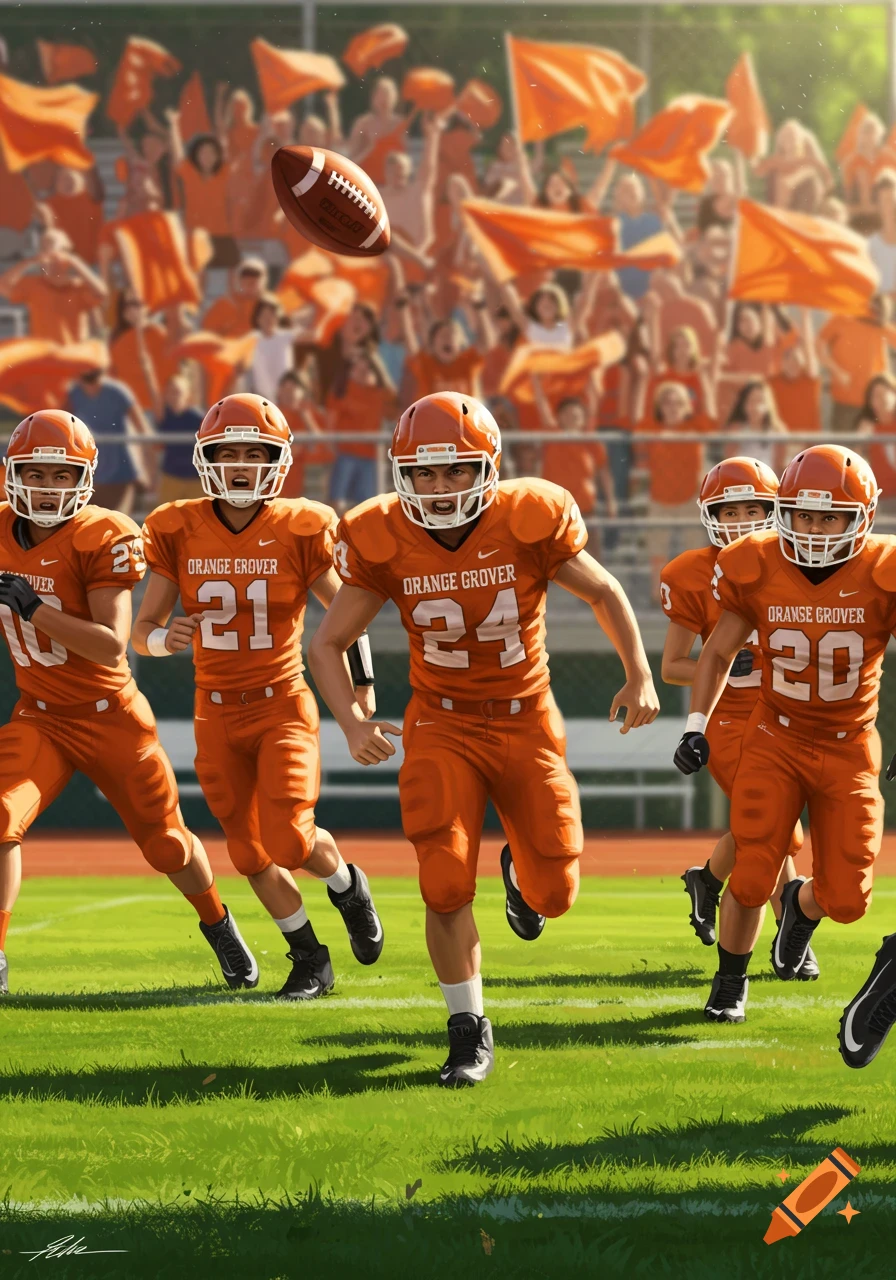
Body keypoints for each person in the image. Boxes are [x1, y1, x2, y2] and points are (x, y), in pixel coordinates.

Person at [308, 391, 659, 1085]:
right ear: (402, 473)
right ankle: (468, 1028)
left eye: (458, 471)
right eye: (426, 473)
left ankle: (521, 877)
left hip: (526, 715)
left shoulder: (527, 519)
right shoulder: (381, 533)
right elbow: (327, 643)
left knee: (557, 890)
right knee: (442, 879)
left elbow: (605, 592)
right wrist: (350, 721)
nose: (440, 489)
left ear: (489, 468)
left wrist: (640, 674)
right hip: (441, 721)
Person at [135, 393, 384, 999]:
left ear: (277, 460)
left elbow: (346, 615)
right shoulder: (178, 527)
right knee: (248, 855)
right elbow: (140, 634)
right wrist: (169, 641)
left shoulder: (301, 526)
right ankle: (309, 958)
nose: (243, 464)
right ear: (208, 459)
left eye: (256, 452)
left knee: (291, 839)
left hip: (281, 703)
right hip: (213, 711)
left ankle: (348, 885)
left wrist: (363, 683)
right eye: (231, 452)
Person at [0, 410, 250, 996]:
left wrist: (33, 608)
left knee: (166, 843)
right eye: (36, 473)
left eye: (62, 476)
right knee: (1, 818)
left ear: (84, 479)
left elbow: (113, 646)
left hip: (111, 717)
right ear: (13, 474)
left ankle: (218, 923)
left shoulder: (101, 533)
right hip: (39, 714)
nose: (48, 487)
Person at [674, 444, 895, 1024]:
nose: (815, 529)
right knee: (753, 867)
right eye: (804, 514)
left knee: (848, 898)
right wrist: (696, 725)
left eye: (830, 517)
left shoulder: (883, 570)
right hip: (777, 738)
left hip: (849, 745)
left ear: (863, 518)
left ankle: (800, 908)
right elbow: (719, 650)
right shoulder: (756, 564)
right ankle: (730, 983)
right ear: (785, 511)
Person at [661, 458, 810, 971]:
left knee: (766, 824)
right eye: (730, 510)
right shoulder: (689, 574)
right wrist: (720, 661)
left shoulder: (798, 564)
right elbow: (673, 666)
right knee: (775, 823)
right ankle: (793, 936)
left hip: (785, 712)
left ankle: (707, 879)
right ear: (710, 515)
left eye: (755, 509)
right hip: (727, 717)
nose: (743, 521)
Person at [66, 363, 154, 516]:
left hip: (120, 473)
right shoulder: (74, 394)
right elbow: (64, 426)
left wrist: (147, 471)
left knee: (115, 523)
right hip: (88, 473)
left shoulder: (117, 392)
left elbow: (143, 430)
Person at [0, 229, 107, 345]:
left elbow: (102, 292)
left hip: (74, 353)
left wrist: (74, 261)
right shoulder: (34, 284)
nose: (49, 256)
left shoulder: (78, 285)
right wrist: (30, 261)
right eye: (43, 248)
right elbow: (3, 286)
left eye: (54, 249)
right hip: (45, 354)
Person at [326, 348, 397, 515]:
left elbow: (396, 410)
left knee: (368, 505)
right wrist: (332, 453)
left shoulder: (381, 393)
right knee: (336, 501)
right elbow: (330, 424)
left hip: (371, 457)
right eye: (358, 368)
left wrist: (382, 378)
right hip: (345, 455)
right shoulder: (341, 389)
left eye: (368, 368)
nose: (363, 372)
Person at [818, 296, 896, 437]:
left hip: (874, 407)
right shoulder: (843, 318)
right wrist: (837, 371)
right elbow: (819, 345)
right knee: (842, 451)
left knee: (872, 453)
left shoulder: (879, 324)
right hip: (845, 401)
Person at [154, 374, 205, 503]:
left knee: (198, 516)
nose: (174, 396)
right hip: (171, 476)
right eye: (170, 392)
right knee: (164, 516)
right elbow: (154, 394)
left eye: (178, 392)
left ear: (187, 395)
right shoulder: (165, 416)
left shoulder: (197, 417)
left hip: (196, 478)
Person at [203, 259, 269, 338]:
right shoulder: (225, 303)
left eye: (255, 278)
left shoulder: (272, 305)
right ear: (239, 281)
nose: (251, 282)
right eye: (246, 278)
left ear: (264, 280)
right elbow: (207, 334)